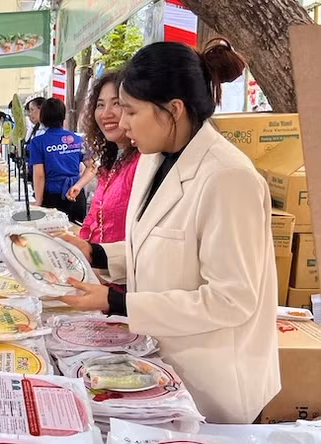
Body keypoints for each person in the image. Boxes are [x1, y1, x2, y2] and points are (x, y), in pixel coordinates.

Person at [59, 40, 278, 424]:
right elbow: (157, 246)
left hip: (214, 381)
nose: (121, 123)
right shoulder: (153, 158)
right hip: (162, 366)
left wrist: (117, 303)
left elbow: (232, 299)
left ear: (173, 109)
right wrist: (93, 253)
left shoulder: (228, 178)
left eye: (130, 111)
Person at [79, 72, 140, 243]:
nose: (106, 113)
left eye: (117, 103)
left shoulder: (144, 161)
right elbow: (94, 217)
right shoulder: (110, 160)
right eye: (100, 105)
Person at [29, 98, 96, 223]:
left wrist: (38, 201)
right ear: (63, 117)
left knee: (53, 239)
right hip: (76, 197)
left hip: (52, 200)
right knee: (76, 237)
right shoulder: (77, 140)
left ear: (42, 118)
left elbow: (39, 175)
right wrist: (78, 186)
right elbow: (92, 167)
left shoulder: (38, 143)